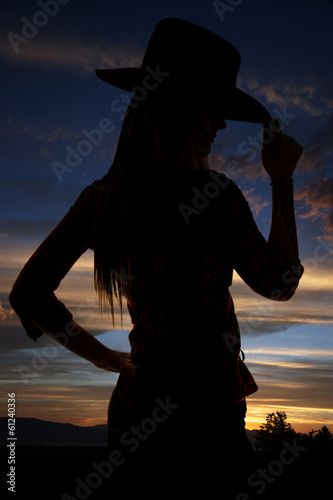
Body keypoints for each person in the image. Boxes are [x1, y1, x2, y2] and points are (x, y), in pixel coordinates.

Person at [9, 18, 303, 498]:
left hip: (133, 413)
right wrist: (283, 179)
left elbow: (28, 293)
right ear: (180, 108)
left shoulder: (101, 200)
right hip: (208, 420)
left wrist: (105, 359)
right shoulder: (215, 197)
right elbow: (279, 283)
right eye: (212, 108)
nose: (221, 124)